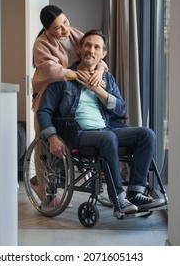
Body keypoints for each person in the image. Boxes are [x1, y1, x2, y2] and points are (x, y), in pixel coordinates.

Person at [36, 29, 165, 214]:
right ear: (80, 49)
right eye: (88, 45)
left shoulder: (107, 78)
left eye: (97, 47)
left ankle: (136, 192)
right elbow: (44, 111)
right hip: (77, 134)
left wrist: (98, 90)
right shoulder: (64, 78)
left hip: (107, 128)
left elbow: (120, 109)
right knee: (108, 138)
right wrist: (52, 137)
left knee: (147, 134)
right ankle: (118, 198)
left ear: (103, 54)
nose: (91, 50)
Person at [30, 5, 107, 205]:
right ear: (47, 30)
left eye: (65, 22)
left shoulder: (74, 34)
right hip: (48, 93)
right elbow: (52, 71)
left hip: (71, 93)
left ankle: (50, 181)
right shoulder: (41, 44)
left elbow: (94, 52)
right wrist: (79, 76)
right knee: (44, 140)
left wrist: (99, 70)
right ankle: (45, 189)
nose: (65, 29)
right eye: (58, 28)